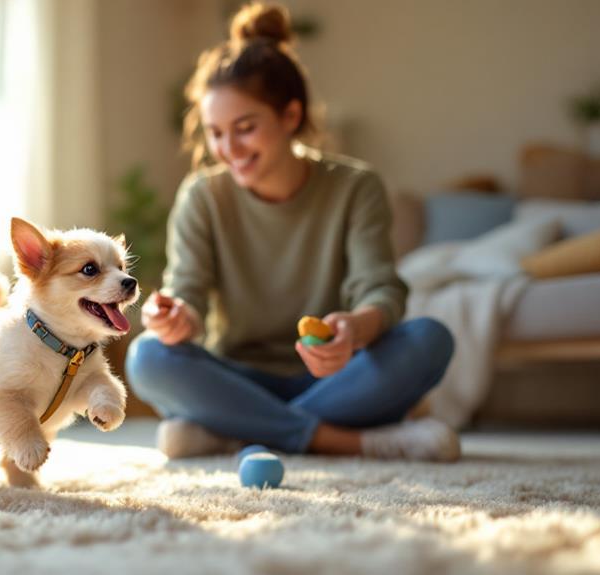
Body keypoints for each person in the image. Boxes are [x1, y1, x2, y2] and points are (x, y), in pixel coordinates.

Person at [125, 1, 459, 461]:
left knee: (429, 339)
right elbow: (190, 295)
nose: (229, 148)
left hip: (334, 376)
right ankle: (350, 441)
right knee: (147, 357)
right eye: (216, 133)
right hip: (238, 375)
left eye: (244, 128)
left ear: (290, 116)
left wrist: (355, 330)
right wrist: (177, 317)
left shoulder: (355, 187)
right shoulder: (202, 196)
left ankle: (233, 433)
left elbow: (380, 290)